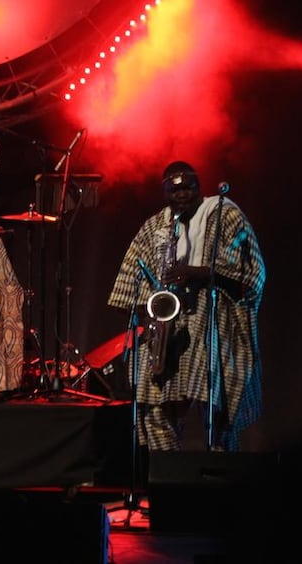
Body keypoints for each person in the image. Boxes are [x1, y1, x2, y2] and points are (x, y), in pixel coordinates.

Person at [107, 162, 265, 452]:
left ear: (199, 187)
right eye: (174, 189)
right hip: (167, 331)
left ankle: (218, 478)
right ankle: (168, 477)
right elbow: (129, 280)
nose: (182, 195)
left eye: (188, 188)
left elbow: (249, 271)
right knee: (152, 406)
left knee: (218, 411)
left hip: (212, 322)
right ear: (164, 191)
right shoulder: (155, 225)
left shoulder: (224, 212)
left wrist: (196, 272)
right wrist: (151, 312)